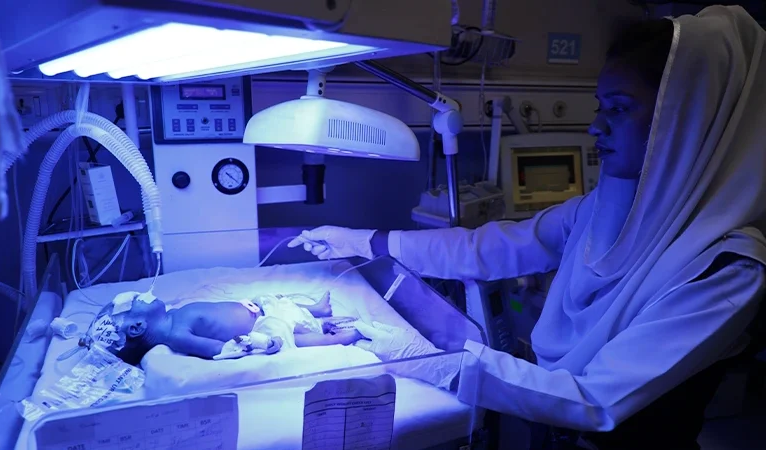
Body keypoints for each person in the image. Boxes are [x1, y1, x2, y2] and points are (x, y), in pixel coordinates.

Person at [289, 5, 766, 449]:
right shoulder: (603, 209)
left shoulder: (726, 266)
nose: (596, 127)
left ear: (687, 121)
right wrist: (364, 240)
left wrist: (444, 360)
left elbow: (595, 400)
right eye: (599, 105)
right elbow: (488, 248)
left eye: (618, 108)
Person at [79, 290, 363, 365]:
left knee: (280, 299)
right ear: (138, 326)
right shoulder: (177, 336)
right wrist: (261, 344)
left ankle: (317, 310)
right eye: (138, 301)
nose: (144, 295)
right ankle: (344, 337)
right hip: (265, 324)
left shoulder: (176, 314)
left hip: (258, 307)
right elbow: (221, 349)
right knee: (298, 338)